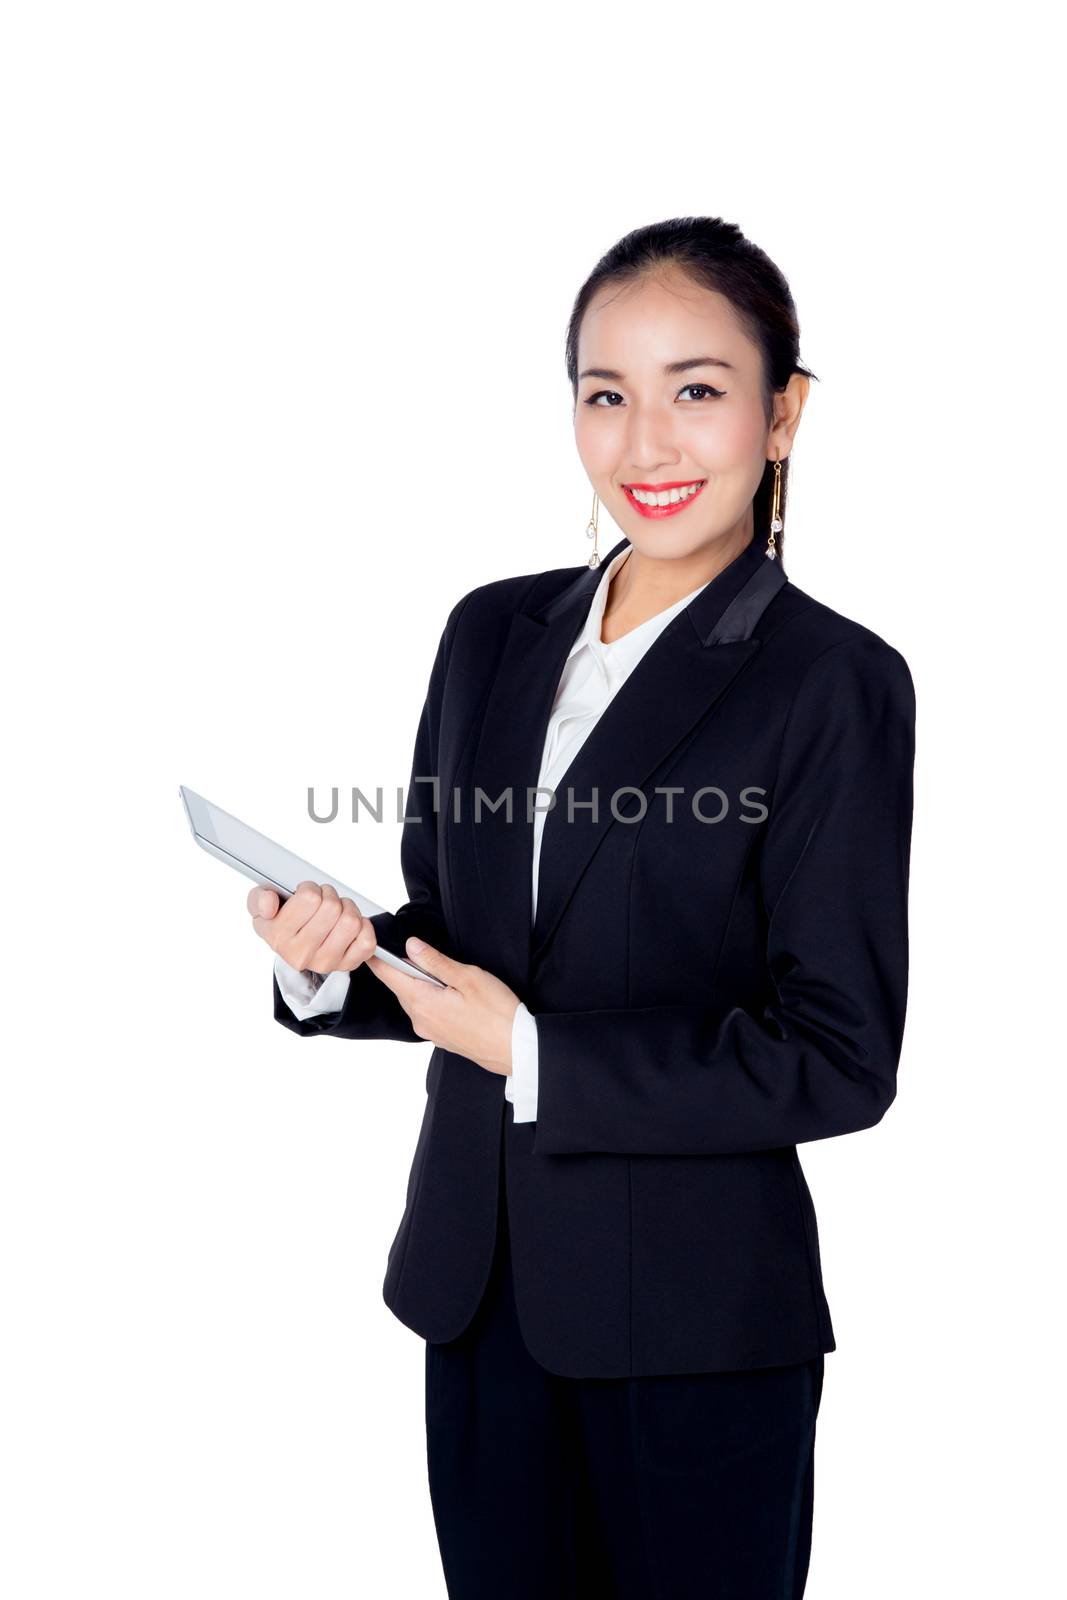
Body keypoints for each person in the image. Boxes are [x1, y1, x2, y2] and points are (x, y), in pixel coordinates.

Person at [247, 215, 916, 1598]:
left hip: (694, 1328)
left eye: (699, 390)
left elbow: (839, 1054)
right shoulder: (492, 630)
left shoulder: (829, 682)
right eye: (606, 396)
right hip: (476, 1291)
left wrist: (536, 1057)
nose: (646, 444)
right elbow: (463, 937)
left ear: (784, 413)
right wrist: (334, 963)